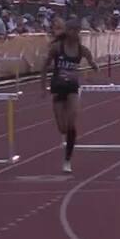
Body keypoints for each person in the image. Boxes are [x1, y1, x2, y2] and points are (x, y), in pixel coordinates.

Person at [42, 17, 98, 172]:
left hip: (73, 88)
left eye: (78, 31)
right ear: (68, 32)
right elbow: (44, 67)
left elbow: (94, 65)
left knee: (72, 124)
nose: (75, 34)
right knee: (62, 129)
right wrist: (42, 87)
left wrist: (93, 72)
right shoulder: (57, 48)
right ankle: (66, 139)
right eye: (73, 30)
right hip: (58, 88)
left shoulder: (82, 50)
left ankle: (67, 159)